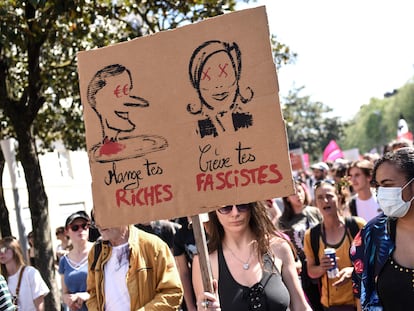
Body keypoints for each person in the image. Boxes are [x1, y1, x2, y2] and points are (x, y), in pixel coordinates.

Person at [192, 201, 312, 311]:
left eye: (242, 205)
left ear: (253, 206)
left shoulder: (278, 248)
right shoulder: (204, 261)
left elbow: (300, 306)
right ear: (214, 212)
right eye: (225, 207)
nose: (235, 213)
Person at [350, 147, 414, 310]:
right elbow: (362, 298)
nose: (381, 193)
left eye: (387, 184)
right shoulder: (371, 235)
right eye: (378, 186)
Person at [86, 222, 183, 310]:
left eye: (104, 214)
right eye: (96, 217)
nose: (99, 223)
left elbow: (172, 292)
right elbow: (92, 293)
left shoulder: (154, 246)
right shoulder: (96, 251)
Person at [303, 180, 366, 311]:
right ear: (315, 203)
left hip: (360, 303)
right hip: (330, 306)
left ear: (338, 196)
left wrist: (353, 272)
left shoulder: (357, 226)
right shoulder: (311, 235)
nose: (325, 201)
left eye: (329, 196)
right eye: (320, 198)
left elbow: (374, 261)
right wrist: (322, 268)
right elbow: (311, 271)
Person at [187, 40, 254, 138]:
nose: (218, 85)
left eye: (224, 73)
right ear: (197, 86)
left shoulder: (247, 119)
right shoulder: (198, 130)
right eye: (207, 77)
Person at [279, 180, 324, 311]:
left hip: (322, 262)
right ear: (287, 198)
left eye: (300, 191)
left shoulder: (315, 211)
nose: (298, 195)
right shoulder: (284, 221)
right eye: (293, 193)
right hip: (302, 269)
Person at [0, 236, 49, 311]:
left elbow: (40, 306)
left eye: (4, 249)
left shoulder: (30, 273)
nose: (1, 253)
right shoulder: (2, 280)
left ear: (15, 250)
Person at [59, 211, 93, 311]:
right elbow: (64, 293)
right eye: (75, 227)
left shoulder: (99, 251)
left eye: (84, 226)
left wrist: (88, 295)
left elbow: (110, 286)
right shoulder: (64, 261)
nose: (80, 230)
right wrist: (67, 299)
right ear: (66, 232)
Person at [173, 217, 198, 311]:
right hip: (195, 292)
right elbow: (184, 273)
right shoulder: (181, 235)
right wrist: (190, 306)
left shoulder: (215, 227)